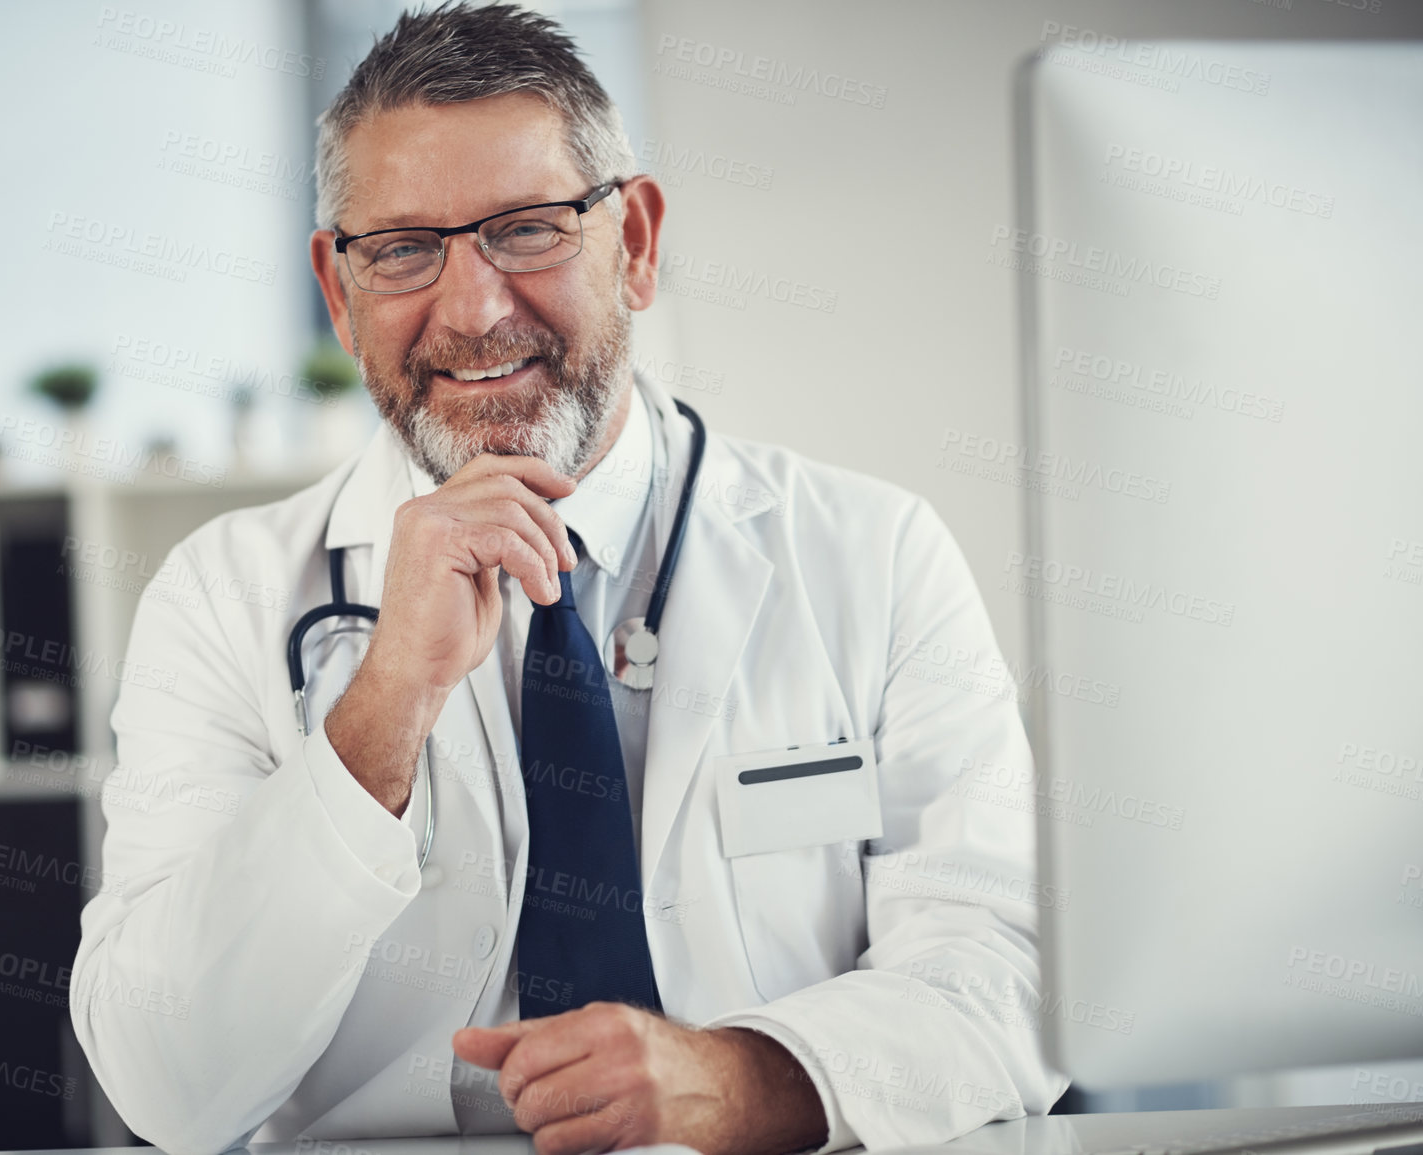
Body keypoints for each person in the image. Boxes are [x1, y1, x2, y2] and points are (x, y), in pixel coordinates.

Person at [70, 6, 1066, 1155]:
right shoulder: (221, 597)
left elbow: (1014, 978)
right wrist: (384, 703)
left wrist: (735, 1083)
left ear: (634, 239)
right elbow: (162, 1082)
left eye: (528, 231)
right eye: (402, 250)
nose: (473, 310)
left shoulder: (873, 554)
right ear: (339, 293)